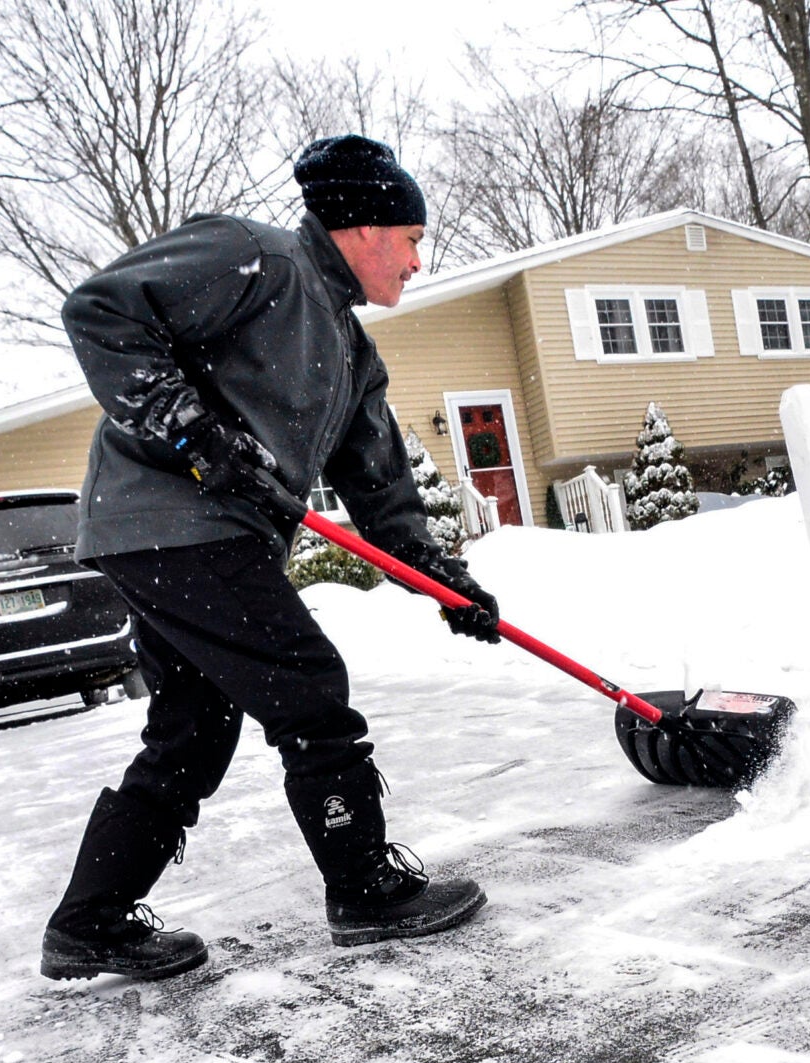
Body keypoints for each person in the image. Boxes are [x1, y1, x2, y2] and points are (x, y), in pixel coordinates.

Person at [39, 134, 502, 982]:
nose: (418, 262)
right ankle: (363, 885)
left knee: (192, 730)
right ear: (365, 229)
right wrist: (188, 426)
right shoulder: (256, 257)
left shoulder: (353, 355)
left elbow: (380, 487)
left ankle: (89, 921)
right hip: (174, 519)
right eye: (412, 240)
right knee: (309, 688)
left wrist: (445, 581)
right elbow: (99, 310)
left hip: (186, 536)